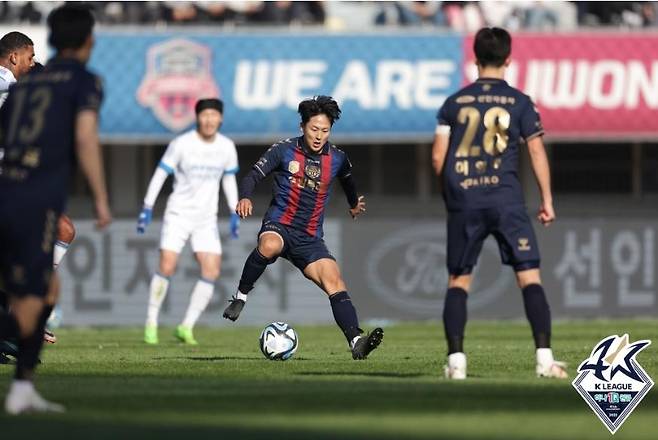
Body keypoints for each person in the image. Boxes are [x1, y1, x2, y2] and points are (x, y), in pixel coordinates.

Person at [432, 27, 567, 380]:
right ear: (508, 59)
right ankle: (544, 361)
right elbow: (536, 149)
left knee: (458, 281)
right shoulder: (521, 102)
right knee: (529, 278)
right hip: (507, 199)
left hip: (466, 200)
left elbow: (437, 159)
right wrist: (547, 200)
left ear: (474, 59)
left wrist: (453, 196)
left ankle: (457, 364)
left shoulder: (453, 103)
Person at [0, 5, 111, 414]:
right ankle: (22, 385)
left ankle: (21, 381)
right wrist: (100, 196)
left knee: (35, 285)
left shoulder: (24, 87)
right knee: (43, 289)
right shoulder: (82, 81)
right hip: (30, 194)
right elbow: (85, 138)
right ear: (88, 42)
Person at [222, 95, 383, 360]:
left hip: (309, 237)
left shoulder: (338, 158)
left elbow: (349, 182)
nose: (319, 136)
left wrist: (354, 204)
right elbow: (253, 175)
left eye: (325, 130)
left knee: (334, 279)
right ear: (302, 127)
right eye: (314, 129)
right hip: (279, 224)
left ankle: (356, 340)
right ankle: (240, 296)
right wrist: (245, 196)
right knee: (269, 245)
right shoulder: (283, 150)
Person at [137, 98, 240, 346]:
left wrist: (234, 211)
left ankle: (186, 326)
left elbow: (228, 179)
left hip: (206, 219)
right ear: (197, 117)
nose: (209, 120)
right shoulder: (181, 144)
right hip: (178, 214)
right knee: (168, 265)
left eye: (214, 115)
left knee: (212, 270)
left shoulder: (226, 147)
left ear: (221, 119)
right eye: (205, 115)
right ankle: (151, 322)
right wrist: (147, 207)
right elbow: (161, 173)